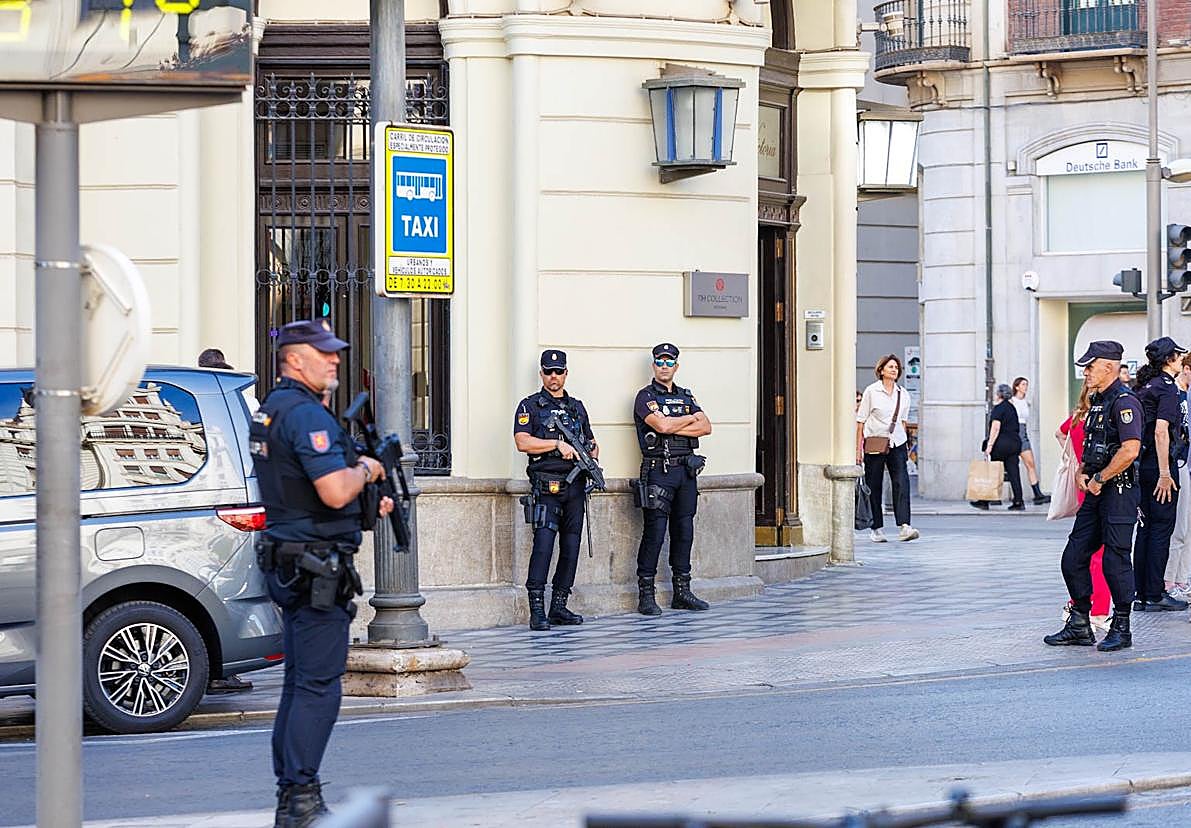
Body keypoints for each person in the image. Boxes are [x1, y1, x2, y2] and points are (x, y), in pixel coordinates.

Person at [250, 319, 394, 827]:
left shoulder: (271, 409)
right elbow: (333, 488)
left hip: (292, 558)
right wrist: (369, 471)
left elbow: (302, 493)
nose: (334, 360)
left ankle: (293, 796)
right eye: (324, 353)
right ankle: (301, 802)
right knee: (317, 686)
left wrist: (359, 508)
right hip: (314, 569)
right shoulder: (304, 413)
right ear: (293, 359)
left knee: (298, 684)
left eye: (336, 352)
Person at [1044, 340, 1142, 652]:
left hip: (1120, 491)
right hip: (1096, 490)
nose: (1085, 371)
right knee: (1073, 557)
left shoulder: (1125, 402)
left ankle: (1121, 625)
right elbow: (1093, 445)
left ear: (1110, 367)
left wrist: (1101, 477)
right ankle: (1079, 623)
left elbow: (1130, 450)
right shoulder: (1098, 401)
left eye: (1090, 366)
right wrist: (1083, 471)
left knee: (1115, 560)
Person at [513, 350, 599, 631]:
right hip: (547, 487)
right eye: (548, 371)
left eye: (558, 371)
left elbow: (592, 441)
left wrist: (590, 453)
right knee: (543, 547)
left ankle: (559, 606)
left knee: (571, 548)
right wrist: (556, 445)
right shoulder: (531, 406)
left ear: (565, 374)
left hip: (575, 487)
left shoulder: (577, 407)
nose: (553, 376)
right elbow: (523, 442)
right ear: (541, 374)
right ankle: (537, 610)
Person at [633, 343, 713, 615]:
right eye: (660, 361)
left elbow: (706, 426)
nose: (664, 366)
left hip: (686, 472)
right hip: (659, 471)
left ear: (676, 366)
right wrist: (687, 421)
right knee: (654, 533)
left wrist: (676, 421)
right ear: (653, 365)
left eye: (669, 362)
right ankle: (646, 595)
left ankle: (682, 592)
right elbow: (662, 426)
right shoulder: (645, 397)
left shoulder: (686, 395)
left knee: (684, 532)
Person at [1131, 336, 1189, 612]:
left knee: (1145, 529)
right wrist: (1166, 474)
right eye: (1178, 356)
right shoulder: (1166, 388)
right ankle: (1154, 593)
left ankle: (1140, 592)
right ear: (1169, 360)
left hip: (1143, 466)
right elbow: (1160, 430)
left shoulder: (1145, 386)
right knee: (1161, 530)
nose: (1181, 360)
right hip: (1159, 465)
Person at [1056, 380, 1111, 631]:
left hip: (1082, 484)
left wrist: (1073, 459)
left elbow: (1059, 433)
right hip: (1097, 483)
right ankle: (1099, 610)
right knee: (1100, 553)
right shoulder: (1099, 419)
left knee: (1084, 550)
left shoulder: (1078, 417)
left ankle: (1079, 602)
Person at [856, 354, 919, 541]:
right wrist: (857, 451)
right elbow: (860, 422)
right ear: (881, 370)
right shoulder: (871, 392)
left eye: (896, 368)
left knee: (901, 483)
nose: (894, 370)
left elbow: (904, 422)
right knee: (874, 484)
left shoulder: (903, 394)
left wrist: (906, 446)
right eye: (890, 367)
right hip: (875, 442)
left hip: (897, 443)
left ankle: (905, 526)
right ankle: (876, 529)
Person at [971, 384, 1024, 511]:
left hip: (1001, 444)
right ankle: (1018, 501)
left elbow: (995, 427)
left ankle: (985, 500)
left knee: (993, 471)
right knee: (1013, 473)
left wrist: (989, 445)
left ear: (999, 394)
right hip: (1014, 443)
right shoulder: (1011, 408)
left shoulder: (998, 409)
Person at [1165, 352, 1191, 600]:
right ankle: (1169, 580)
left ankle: (1182, 578)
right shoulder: (1175, 394)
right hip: (1180, 462)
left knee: (1188, 528)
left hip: (1186, 462)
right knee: (1179, 527)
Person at [1010, 377, 1051, 505]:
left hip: (1023, 432)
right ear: (1016, 387)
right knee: (1010, 466)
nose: (1025, 387)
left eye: (1026, 384)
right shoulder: (1012, 401)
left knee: (1030, 463)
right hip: (1014, 431)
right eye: (1023, 384)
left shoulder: (1025, 402)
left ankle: (1037, 493)